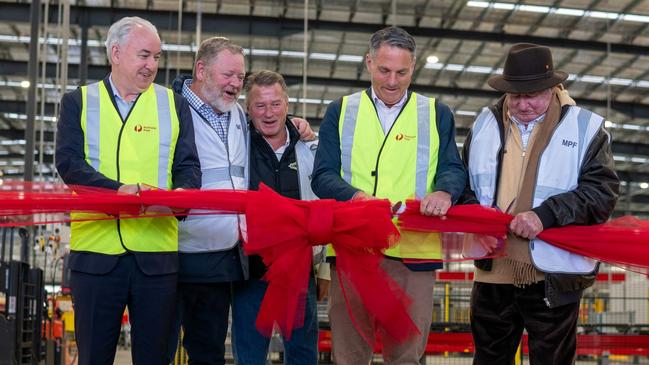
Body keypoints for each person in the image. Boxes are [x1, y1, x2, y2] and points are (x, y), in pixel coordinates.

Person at [311, 26, 466, 365]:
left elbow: (454, 168)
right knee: (349, 354)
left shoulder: (436, 113)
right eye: (384, 70)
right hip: (353, 249)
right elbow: (322, 175)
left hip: (413, 252)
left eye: (402, 72)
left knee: (406, 355)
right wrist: (356, 198)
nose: (393, 81)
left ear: (414, 68)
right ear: (368, 63)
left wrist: (444, 190)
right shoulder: (341, 111)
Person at [55, 16, 201, 365]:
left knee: (154, 357)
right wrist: (120, 191)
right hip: (96, 255)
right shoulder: (78, 102)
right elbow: (70, 165)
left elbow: (188, 167)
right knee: (94, 357)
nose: (152, 65)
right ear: (116, 53)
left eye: (157, 57)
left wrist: (180, 198)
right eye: (144, 55)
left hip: (156, 257)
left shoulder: (173, 104)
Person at [461, 43, 620, 364]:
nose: (522, 104)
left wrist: (544, 216)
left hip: (553, 273)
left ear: (552, 88)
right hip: (493, 271)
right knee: (489, 358)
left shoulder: (585, 127)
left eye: (532, 94)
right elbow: (463, 185)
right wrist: (476, 220)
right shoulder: (484, 125)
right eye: (515, 95)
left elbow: (602, 193)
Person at [169, 37, 315, 364]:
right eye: (228, 75)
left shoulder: (238, 117)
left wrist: (299, 129)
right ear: (202, 70)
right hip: (183, 250)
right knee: (161, 346)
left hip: (230, 258)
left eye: (240, 77)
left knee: (210, 351)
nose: (235, 83)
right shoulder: (170, 108)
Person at [230, 70, 327, 365]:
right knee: (249, 353)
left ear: (287, 104)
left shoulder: (311, 148)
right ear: (248, 109)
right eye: (260, 105)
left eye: (275, 104)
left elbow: (325, 207)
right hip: (251, 269)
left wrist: (323, 270)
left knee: (302, 353)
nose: (268, 113)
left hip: (299, 270)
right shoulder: (236, 148)